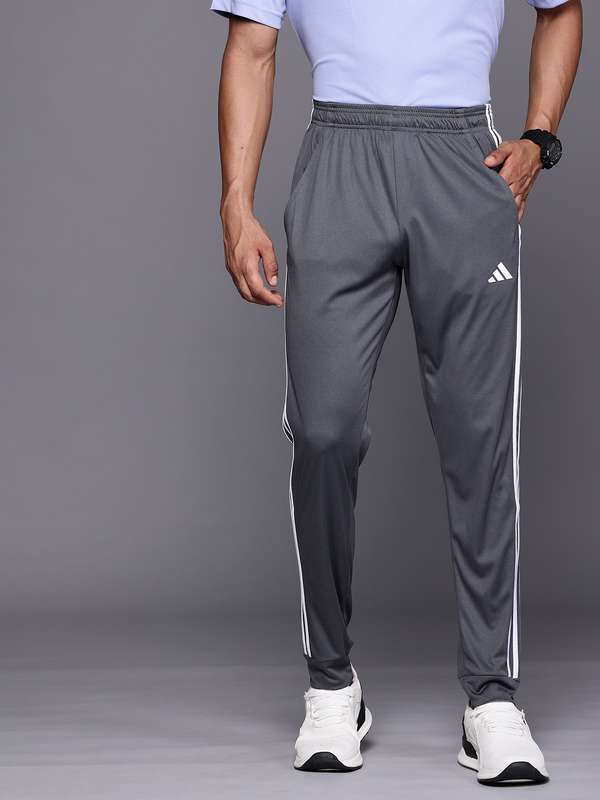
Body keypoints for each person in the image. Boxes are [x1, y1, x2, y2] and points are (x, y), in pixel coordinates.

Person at [210, 0, 582, 784]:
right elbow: (250, 49)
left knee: (481, 440)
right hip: (339, 158)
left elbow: (561, 9)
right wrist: (236, 201)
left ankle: (491, 697)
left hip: (464, 161)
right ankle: (331, 684)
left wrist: (539, 136)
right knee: (323, 429)